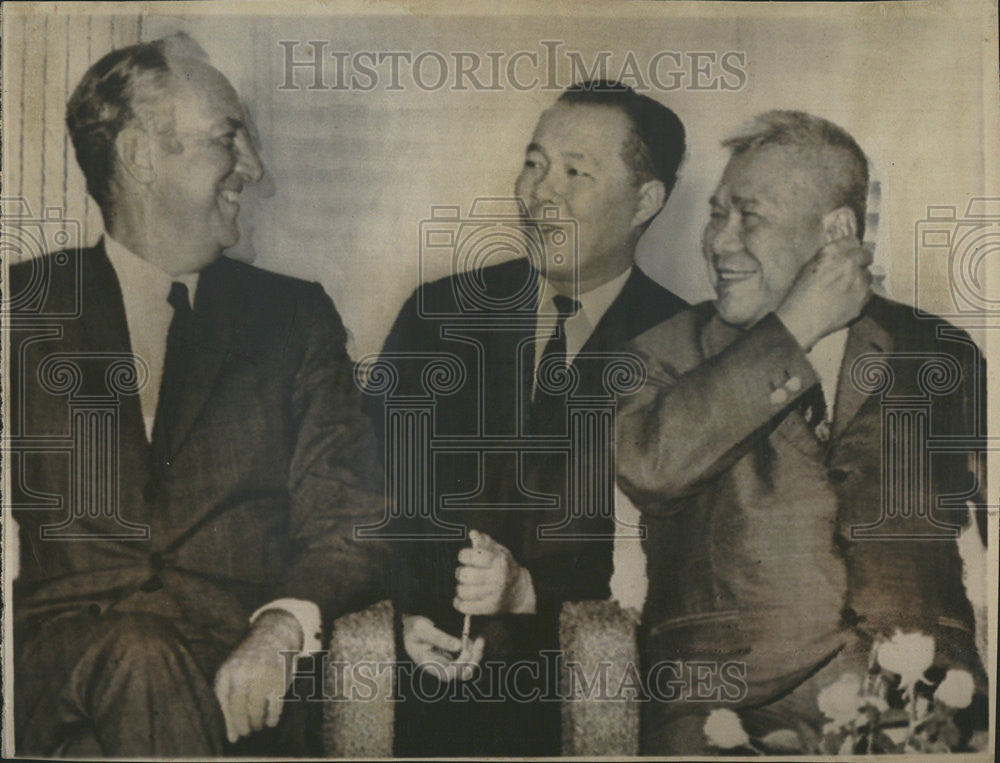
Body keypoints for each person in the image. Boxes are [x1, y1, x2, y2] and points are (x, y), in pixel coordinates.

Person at [9, 35, 385, 757]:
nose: (254, 167)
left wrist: (278, 628)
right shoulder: (23, 309)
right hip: (59, 670)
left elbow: (351, 518)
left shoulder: (290, 317)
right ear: (143, 157)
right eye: (228, 138)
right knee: (138, 655)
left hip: (235, 680)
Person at [616, 110, 987, 754]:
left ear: (837, 232)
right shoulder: (661, 353)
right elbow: (652, 466)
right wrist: (789, 331)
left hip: (919, 696)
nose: (719, 242)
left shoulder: (941, 353)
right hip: (729, 710)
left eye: (749, 215)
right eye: (716, 213)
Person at [364, 80, 688, 756]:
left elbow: (680, 568)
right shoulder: (437, 314)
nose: (542, 192)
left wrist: (530, 591)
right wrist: (403, 611)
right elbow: (362, 489)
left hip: (594, 700)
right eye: (534, 163)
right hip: (421, 694)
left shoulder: (684, 347)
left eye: (576, 172)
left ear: (645, 202)